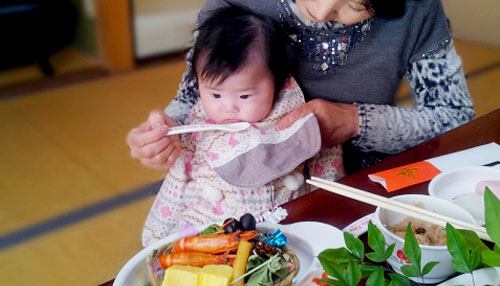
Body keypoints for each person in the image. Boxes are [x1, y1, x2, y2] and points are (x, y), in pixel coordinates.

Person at [127, 0, 474, 174]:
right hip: (242, 180)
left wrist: (357, 122)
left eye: (352, 4)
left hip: (359, 183)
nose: (320, 11)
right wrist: (166, 130)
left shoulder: (417, 10)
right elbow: (193, 94)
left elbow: (456, 118)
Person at [140, 6, 344, 246]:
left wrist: (329, 207)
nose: (229, 107)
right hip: (210, 228)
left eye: (244, 96)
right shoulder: (197, 127)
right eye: (215, 95)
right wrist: (157, 236)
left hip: (283, 226)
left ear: (277, 83)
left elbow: (325, 154)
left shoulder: (294, 118)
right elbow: (176, 181)